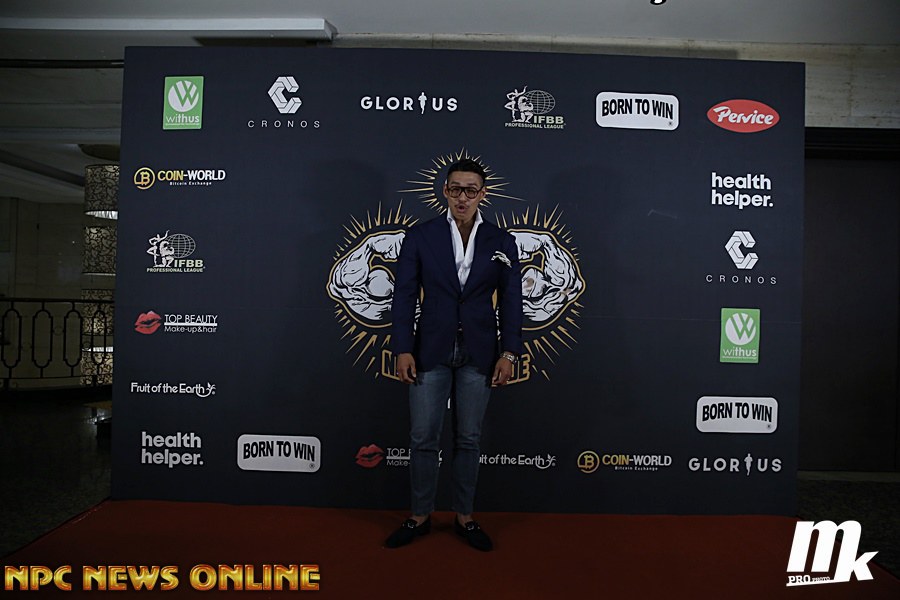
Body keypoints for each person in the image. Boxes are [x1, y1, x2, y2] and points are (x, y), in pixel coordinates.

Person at [385, 158, 523, 551]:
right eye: (456, 189)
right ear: (444, 191)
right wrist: (402, 348)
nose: (463, 197)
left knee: (469, 438)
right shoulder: (421, 236)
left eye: (471, 190)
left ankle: (465, 517)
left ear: (483, 194)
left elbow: (512, 301)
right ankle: (419, 515)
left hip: (480, 351)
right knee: (423, 437)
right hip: (429, 349)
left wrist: (510, 352)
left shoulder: (501, 241)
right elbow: (403, 296)